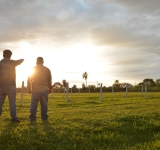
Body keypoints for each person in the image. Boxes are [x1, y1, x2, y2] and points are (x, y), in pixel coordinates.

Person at [0, 49, 24, 123]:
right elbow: (20, 61)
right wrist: (22, 59)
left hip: (1, 86)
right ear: (10, 56)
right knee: (12, 103)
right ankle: (14, 119)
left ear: (3, 55)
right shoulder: (12, 62)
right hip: (11, 86)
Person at [27, 57, 52, 122]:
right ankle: (44, 118)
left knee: (33, 104)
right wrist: (50, 88)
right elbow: (49, 80)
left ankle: (32, 118)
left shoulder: (33, 69)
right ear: (43, 62)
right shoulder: (47, 69)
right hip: (44, 90)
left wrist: (29, 88)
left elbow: (29, 79)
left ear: (36, 62)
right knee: (44, 104)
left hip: (35, 90)